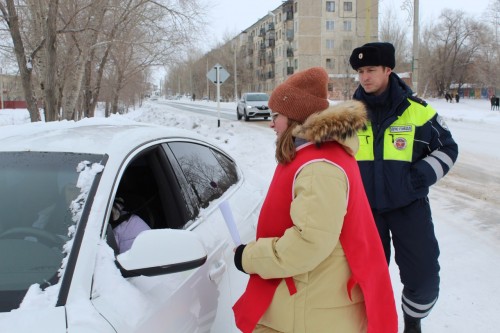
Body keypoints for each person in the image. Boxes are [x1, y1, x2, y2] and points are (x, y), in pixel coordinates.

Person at [232, 67, 397, 333]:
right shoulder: (318, 156)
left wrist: (249, 257)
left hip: (312, 311)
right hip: (313, 300)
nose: (271, 123)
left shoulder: (320, 168)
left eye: (277, 116)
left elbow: (309, 243)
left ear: (296, 118)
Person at [349, 42, 459, 333]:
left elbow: (447, 149)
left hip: (410, 207)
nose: (364, 77)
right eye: (360, 71)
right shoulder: (348, 116)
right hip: (366, 212)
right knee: (364, 277)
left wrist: (417, 179)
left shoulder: (418, 112)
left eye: (371, 70)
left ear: (388, 69)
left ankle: (412, 320)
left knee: (423, 278)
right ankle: (372, 324)